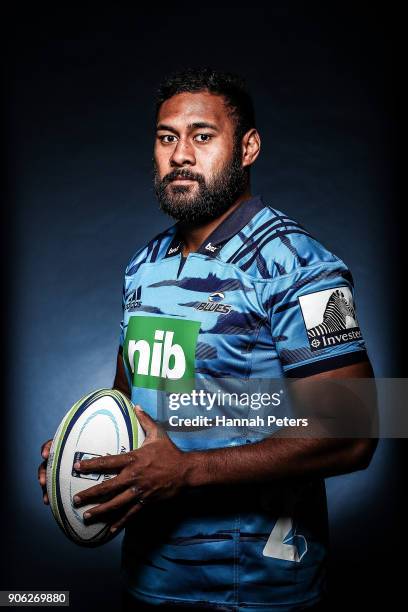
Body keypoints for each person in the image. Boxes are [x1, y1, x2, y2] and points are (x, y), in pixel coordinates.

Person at [38, 68, 377, 611]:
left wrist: (190, 470)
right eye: (167, 136)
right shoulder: (142, 266)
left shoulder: (303, 267)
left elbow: (358, 433)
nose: (180, 154)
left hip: (254, 589)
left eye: (202, 135)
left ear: (248, 147)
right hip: (148, 577)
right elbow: (128, 402)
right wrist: (79, 454)